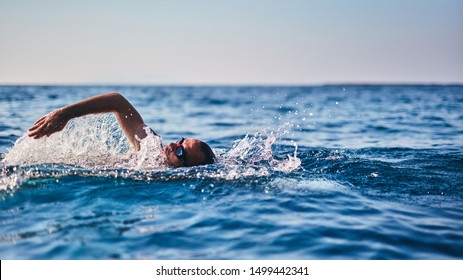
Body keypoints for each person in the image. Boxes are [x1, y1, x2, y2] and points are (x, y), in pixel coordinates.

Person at [27, 92, 215, 167]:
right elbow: (117, 102)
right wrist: (65, 114)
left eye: (181, 152)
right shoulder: (150, 146)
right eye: (181, 141)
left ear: (184, 170)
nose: (174, 144)